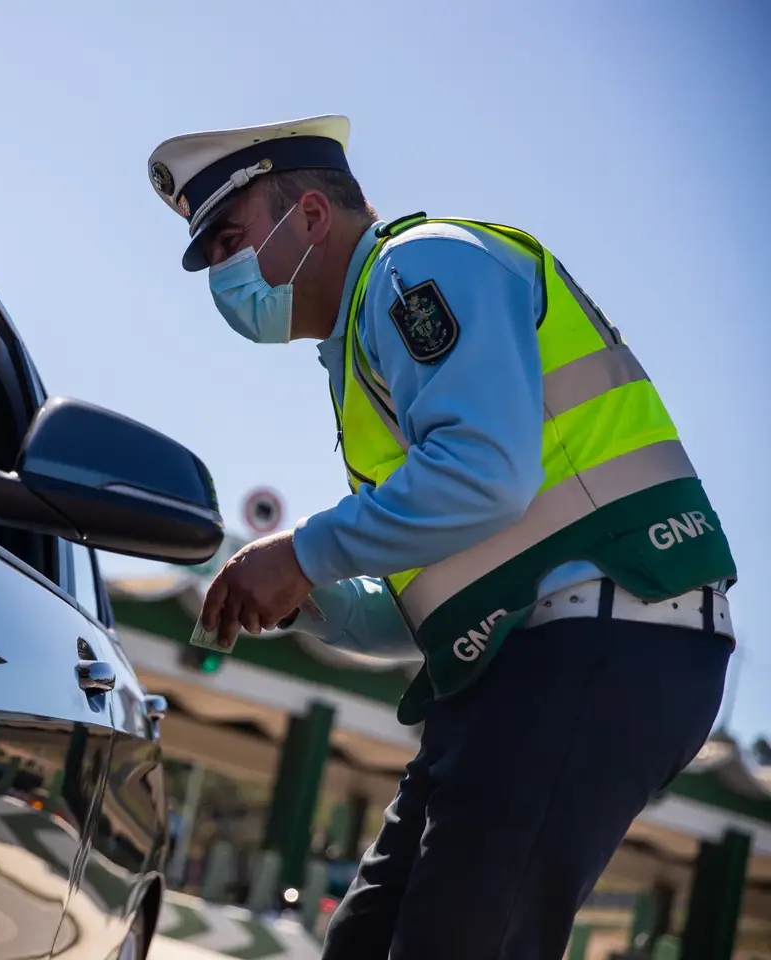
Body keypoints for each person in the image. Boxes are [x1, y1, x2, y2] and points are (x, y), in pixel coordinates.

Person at [144, 115, 738, 958]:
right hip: (528, 664)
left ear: (311, 215)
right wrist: (305, 598)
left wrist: (301, 555)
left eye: (231, 242)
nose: (223, 276)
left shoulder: (419, 268)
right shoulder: (364, 348)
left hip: (600, 641)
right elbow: (430, 602)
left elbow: (483, 476)